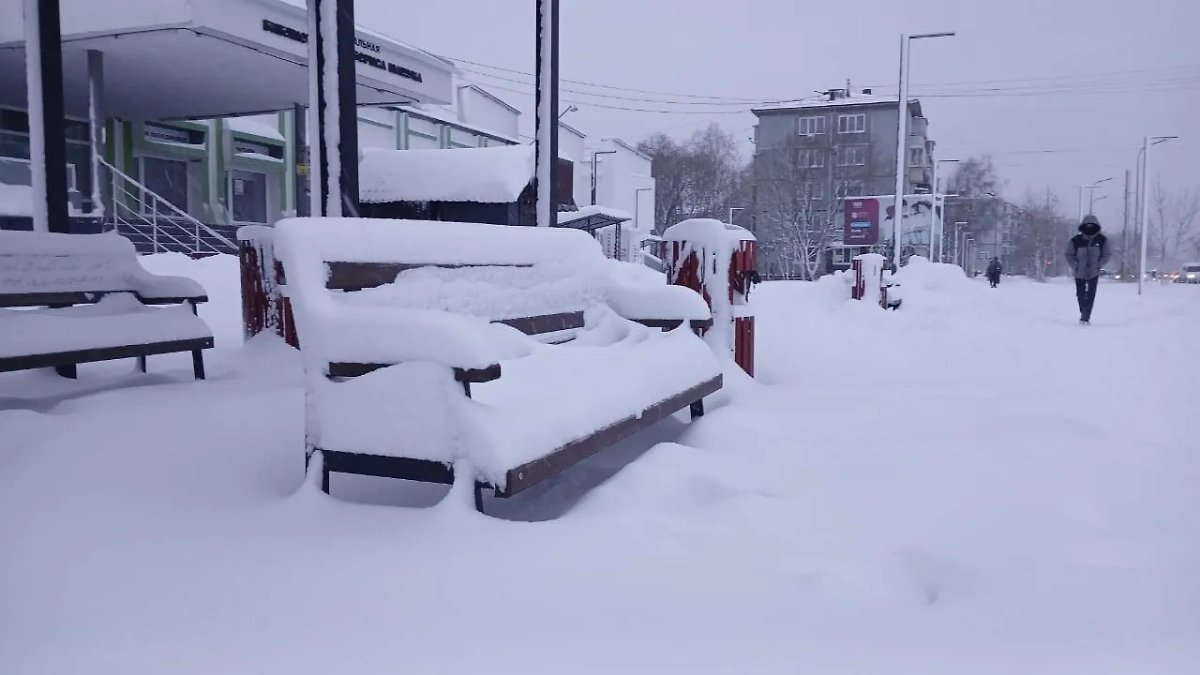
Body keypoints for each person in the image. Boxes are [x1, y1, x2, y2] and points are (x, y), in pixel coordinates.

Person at [1064, 214, 1111, 325]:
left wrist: (1099, 265)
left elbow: (1107, 254)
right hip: (1079, 272)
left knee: (1091, 294)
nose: (1089, 227)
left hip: (1094, 272)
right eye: (1087, 225)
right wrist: (1075, 266)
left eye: (1092, 225)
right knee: (1080, 294)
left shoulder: (1102, 240)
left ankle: (1086, 317)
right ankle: (1083, 311)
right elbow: (1068, 255)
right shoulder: (1076, 241)